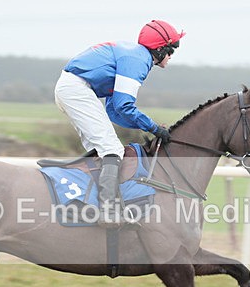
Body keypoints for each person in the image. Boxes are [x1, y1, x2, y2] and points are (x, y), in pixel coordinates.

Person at [54, 19, 184, 224]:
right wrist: (154, 128)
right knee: (112, 150)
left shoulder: (135, 55)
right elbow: (124, 106)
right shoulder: (138, 60)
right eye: (171, 51)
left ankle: (85, 201)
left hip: (75, 89)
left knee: (101, 150)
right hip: (77, 90)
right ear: (160, 49)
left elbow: (114, 112)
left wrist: (151, 128)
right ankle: (108, 212)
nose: (171, 57)